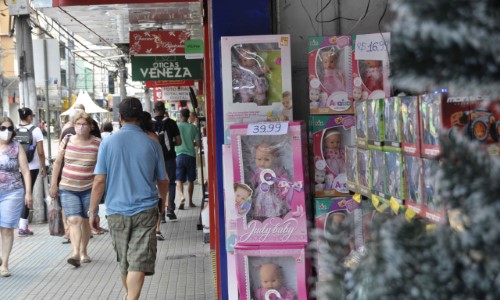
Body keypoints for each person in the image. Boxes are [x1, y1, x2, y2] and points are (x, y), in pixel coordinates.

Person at [88, 97, 169, 300]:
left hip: (116, 212)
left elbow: (99, 181)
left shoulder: (107, 143)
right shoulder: (152, 143)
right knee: (138, 261)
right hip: (145, 210)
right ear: (140, 117)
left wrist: (93, 211)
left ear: (120, 117)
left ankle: (129, 297)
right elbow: (163, 180)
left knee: (125, 262)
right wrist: (163, 204)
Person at [49, 111, 101, 267]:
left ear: (91, 127)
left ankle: (84, 251)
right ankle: (75, 253)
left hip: (89, 189)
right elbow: (57, 163)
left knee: (86, 222)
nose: (81, 127)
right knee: (74, 220)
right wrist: (53, 184)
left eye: (84, 124)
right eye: (78, 124)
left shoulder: (98, 143)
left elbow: (103, 167)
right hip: (68, 187)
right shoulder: (67, 140)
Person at [0, 117, 33, 277]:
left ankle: (4, 264)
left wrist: (28, 193)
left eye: (9, 128)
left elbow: (25, 170)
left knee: (6, 228)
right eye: (3, 128)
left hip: (12, 192)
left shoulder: (16, 147)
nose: (6, 131)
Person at [16, 107, 47, 237]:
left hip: (17, 167)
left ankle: (21, 223)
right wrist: (43, 166)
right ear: (29, 117)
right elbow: (40, 152)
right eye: (32, 116)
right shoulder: (36, 130)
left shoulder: (15, 130)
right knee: (27, 194)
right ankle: (22, 226)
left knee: (20, 194)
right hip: (32, 167)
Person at [153, 101, 181, 220]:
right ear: (165, 111)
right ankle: (170, 209)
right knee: (171, 183)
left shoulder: (149, 124)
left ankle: (161, 214)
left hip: (154, 159)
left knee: (156, 184)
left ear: (154, 110)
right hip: (169, 157)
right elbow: (179, 142)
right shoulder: (172, 123)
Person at [140, 111, 165, 241]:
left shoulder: (136, 137)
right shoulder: (152, 137)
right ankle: (157, 228)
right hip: (153, 175)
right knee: (157, 200)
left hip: (140, 177)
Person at [249, 143, 290, 220]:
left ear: (274, 158)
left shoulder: (277, 170)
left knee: (277, 208)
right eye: (259, 159)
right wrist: (251, 185)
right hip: (261, 195)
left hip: (275, 194)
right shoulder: (257, 171)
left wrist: (279, 182)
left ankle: (277, 219)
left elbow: (285, 180)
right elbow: (252, 182)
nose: (262, 163)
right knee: (260, 208)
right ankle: (261, 220)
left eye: (266, 159)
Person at [175, 108, 199, 210]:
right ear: (188, 116)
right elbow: (198, 143)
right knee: (190, 180)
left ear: (181, 116)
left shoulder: (176, 126)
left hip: (179, 156)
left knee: (179, 179)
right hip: (190, 156)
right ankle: (190, 202)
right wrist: (190, 143)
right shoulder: (193, 128)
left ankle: (181, 196)